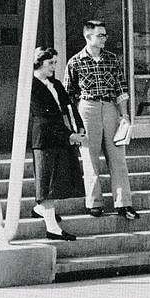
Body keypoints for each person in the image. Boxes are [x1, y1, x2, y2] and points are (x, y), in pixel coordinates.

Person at [64, 20, 140, 220]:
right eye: (100, 35)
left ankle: (124, 203)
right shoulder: (75, 62)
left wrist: (124, 115)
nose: (104, 38)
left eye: (105, 35)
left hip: (110, 108)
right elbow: (68, 95)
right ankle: (94, 203)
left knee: (117, 157)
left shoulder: (112, 59)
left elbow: (121, 89)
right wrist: (73, 125)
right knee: (90, 157)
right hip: (87, 108)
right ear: (88, 37)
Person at [31, 47, 86, 241]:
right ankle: (52, 228)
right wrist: (69, 135)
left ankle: (40, 209)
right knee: (46, 184)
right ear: (38, 63)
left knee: (56, 182)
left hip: (61, 137)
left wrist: (78, 127)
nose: (54, 67)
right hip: (46, 139)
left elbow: (68, 106)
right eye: (50, 63)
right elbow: (44, 118)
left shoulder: (55, 84)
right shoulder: (31, 86)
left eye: (55, 62)